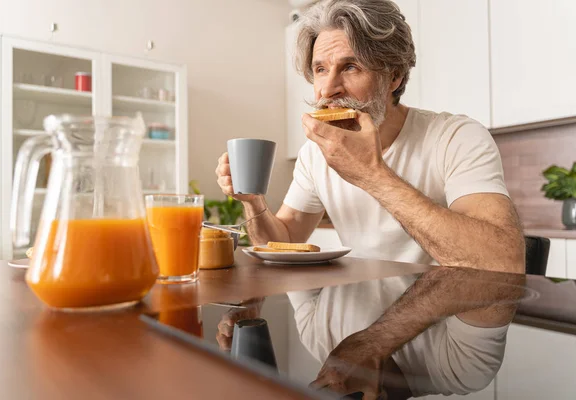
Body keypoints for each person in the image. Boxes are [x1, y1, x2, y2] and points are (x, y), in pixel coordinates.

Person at [215, 0, 525, 397]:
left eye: (350, 67)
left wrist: (372, 174)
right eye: (320, 70)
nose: (327, 90)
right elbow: (284, 240)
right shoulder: (315, 155)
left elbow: (502, 262)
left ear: (393, 76)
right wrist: (253, 201)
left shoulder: (456, 137)